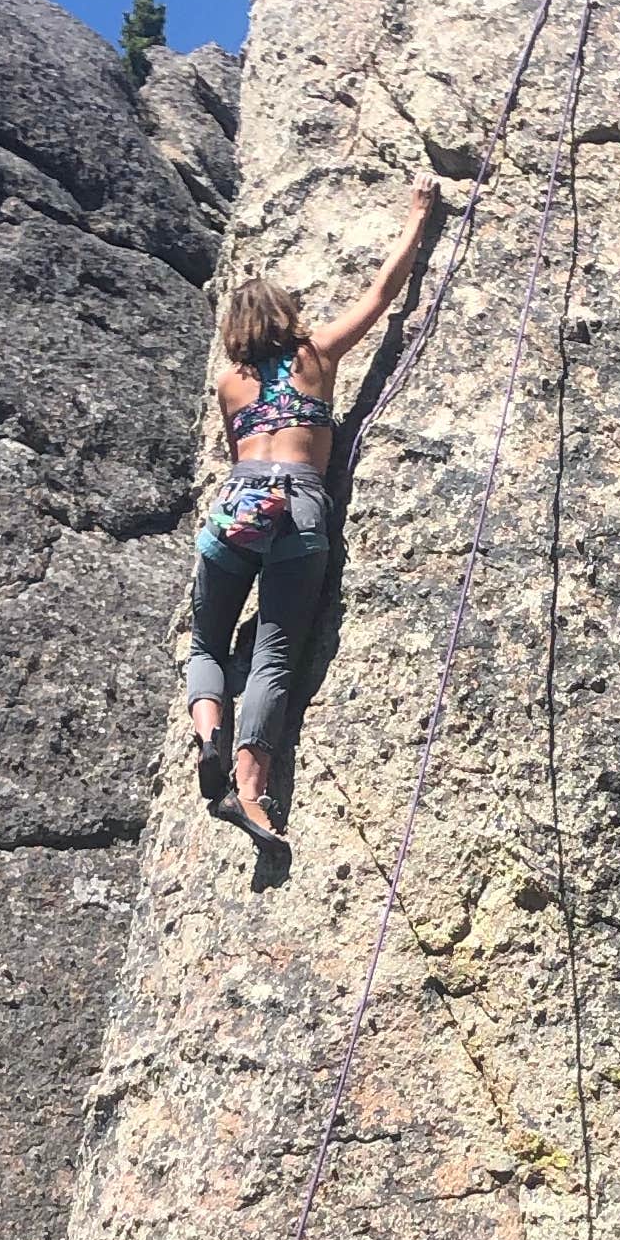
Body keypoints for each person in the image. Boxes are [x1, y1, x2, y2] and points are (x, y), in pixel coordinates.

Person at [187, 177, 444, 853]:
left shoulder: (229, 384)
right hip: (296, 504)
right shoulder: (314, 356)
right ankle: (250, 788)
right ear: (284, 315)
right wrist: (418, 217)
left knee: (208, 644)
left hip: (237, 505)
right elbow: (383, 296)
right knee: (274, 654)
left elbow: (237, 445)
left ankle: (209, 733)